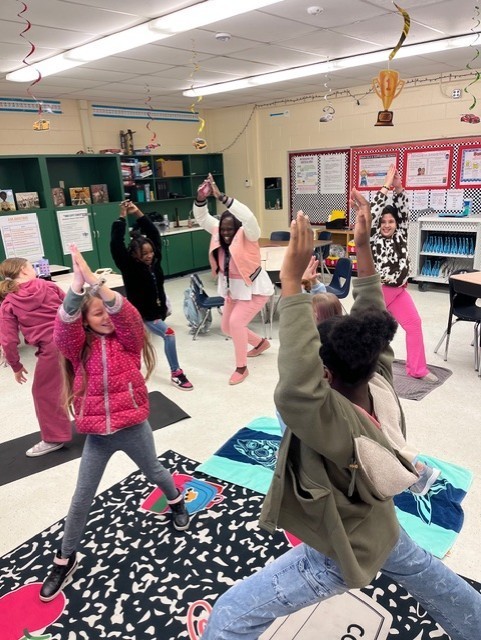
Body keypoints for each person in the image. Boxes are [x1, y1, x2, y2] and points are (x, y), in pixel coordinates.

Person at [200, 192, 480, 640]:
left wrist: (289, 283)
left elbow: (295, 382)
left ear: (323, 373)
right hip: (379, 524)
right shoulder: (380, 382)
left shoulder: (325, 420)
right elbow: (372, 313)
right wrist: (363, 249)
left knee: (228, 619)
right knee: (443, 589)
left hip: (339, 549)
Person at [39, 245, 189, 603]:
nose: (105, 317)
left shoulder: (127, 341)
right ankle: (65, 557)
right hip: (97, 435)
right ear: (86, 321)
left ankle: (176, 500)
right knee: (81, 497)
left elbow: (129, 317)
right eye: (96, 314)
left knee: (154, 471)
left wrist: (98, 285)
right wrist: (76, 292)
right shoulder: (80, 348)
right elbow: (63, 330)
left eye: (107, 311)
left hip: (133, 426)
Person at [193, 174, 274, 385]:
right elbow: (202, 218)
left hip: (254, 289)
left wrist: (221, 197)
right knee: (227, 328)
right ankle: (261, 343)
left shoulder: (249, 234)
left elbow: (248, 217)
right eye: (223, 228)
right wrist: (201, 198)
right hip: (233, 290)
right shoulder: (217, 232)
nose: (226, 233)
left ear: (237, 228)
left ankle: (241, 368)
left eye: (230, 229)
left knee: (236, 324)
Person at [110, 200, 193, 390]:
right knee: (168, 335)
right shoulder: (129, 266)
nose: (149, 256)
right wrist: (122, 216)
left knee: (139, 344)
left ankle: (129, 374)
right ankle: (177, 373)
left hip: (157, 310)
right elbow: (116, 243)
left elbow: (154, 233)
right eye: (144, 253)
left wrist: (137, 212)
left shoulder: (155, 262)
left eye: (150, 252)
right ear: (134, 255)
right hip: (142, 313)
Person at [370, 164, 437, 381]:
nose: (387, 225)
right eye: (384, 222)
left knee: (414, 325)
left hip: (398, 290)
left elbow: (403, 208)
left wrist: (398, 187)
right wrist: (386, 185)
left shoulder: (401, 233)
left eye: (391, 221)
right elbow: (373, 212)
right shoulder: (374, 237)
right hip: (380, 290)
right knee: (372, 332)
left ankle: (417, 369)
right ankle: (362, 369)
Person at [0, 257, 72, 456]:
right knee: (82, 382)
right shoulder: (49, 286)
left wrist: (16, 366)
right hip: (73, 340)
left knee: (45, 393)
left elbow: (7, 340)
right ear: (23, 271)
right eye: (31, 267)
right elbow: (72, 308)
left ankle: (54, 438)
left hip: (52, 349)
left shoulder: (8, 302)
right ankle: (110, 421)